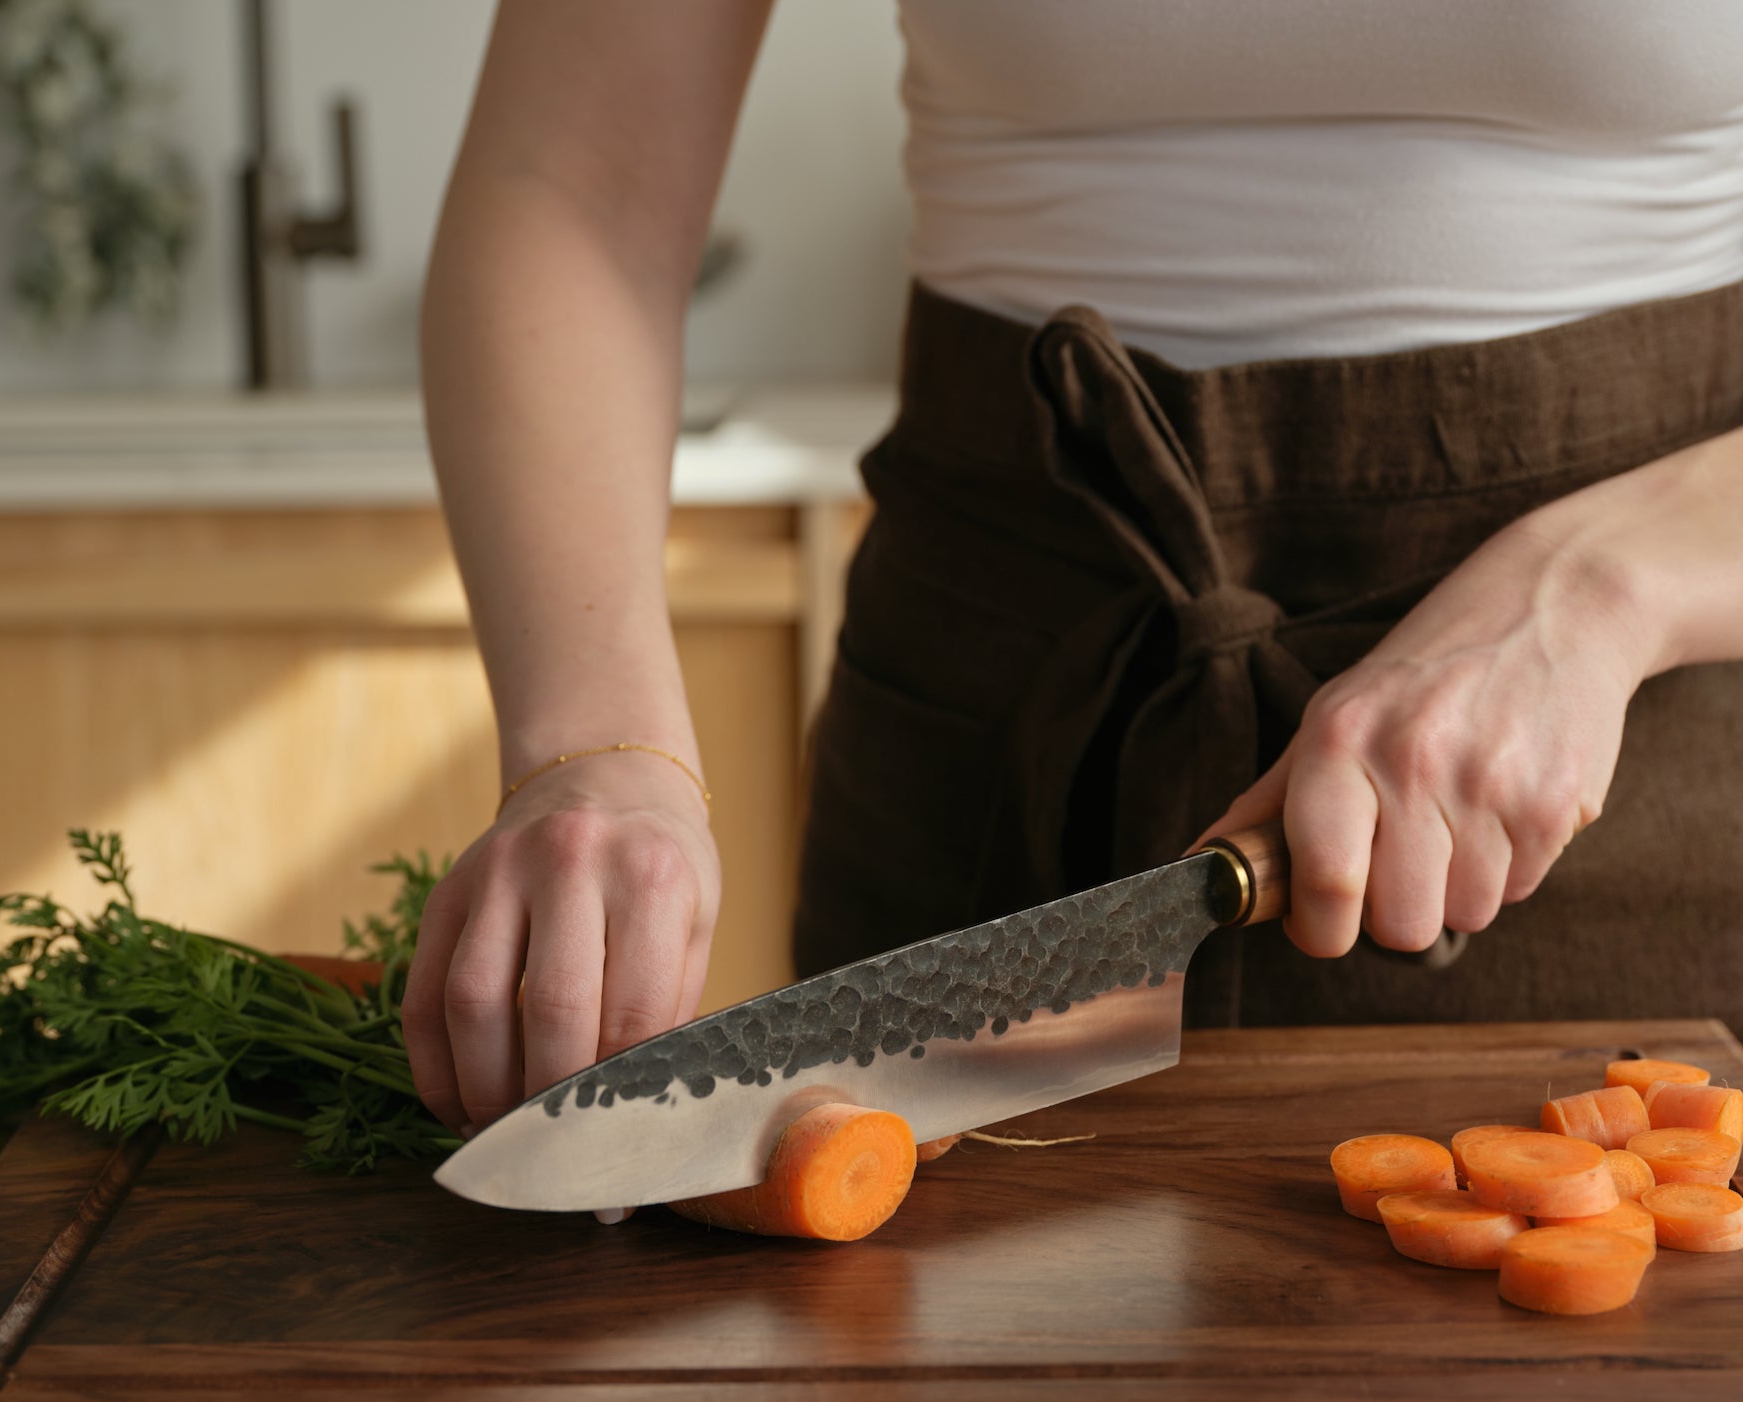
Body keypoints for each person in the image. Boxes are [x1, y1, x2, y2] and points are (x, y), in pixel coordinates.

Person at [407, 0, 1743, 1145]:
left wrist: (1594, 589)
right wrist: (596, 742)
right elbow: (570, 191)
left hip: (1633, 752)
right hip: (998, 739)